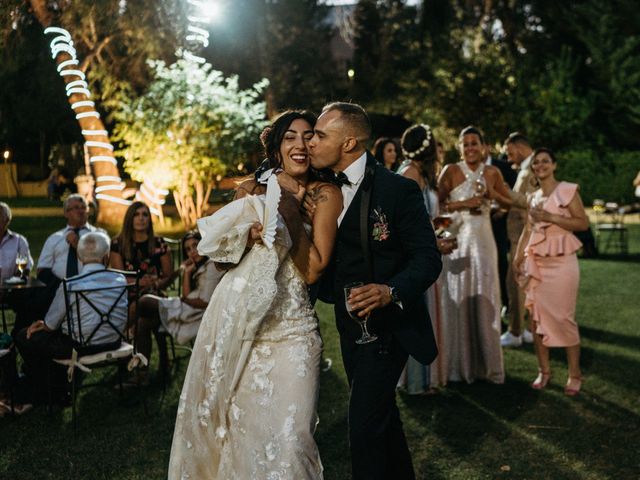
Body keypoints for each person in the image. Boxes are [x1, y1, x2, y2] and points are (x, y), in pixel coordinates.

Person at [168, 110, 342, 479]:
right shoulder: (251, 189)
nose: (300, 144)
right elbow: (219, 262)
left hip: (293, 329)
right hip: (242, 323)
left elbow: (315, 268)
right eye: (290, 137)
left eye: (308, 136)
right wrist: (245, 237)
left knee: (294, 439)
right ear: (277, 148)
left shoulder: (324, 195)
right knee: (241, 432)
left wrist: (291, 213)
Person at [310, 103, 441, 479]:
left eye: (321, 135)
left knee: (364, 428)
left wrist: (390, 290)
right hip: (349, 326)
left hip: (390, 327)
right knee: (384, 418)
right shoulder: (319, 186)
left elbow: (427, 258)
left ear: (348, 141)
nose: (312, 143)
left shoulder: (397, 190)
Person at [14, 232, 127, 409]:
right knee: (60, 333)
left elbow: (51, 326)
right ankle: (57, 387)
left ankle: (50, 390)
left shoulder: (71, 284)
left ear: (80, 257)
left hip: (80, 346)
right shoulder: (120, 279)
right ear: (106, 258)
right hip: (114, 341)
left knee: (23, 336)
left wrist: (44, 324)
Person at [437, 125, 510, 385]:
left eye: (474, 143)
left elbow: (507, 201)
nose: (470, 148)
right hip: (457, 242)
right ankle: (459, 367)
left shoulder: (493, 172)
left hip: (485, 240)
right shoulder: (451, 171)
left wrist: (494, 199)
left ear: (484, 147)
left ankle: (488, 367)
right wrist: (463, 204)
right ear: (459, 147)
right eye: (465, 143)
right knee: (459, 294)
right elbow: (437, 207)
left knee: (487, 293)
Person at [513, 148, 589, 395]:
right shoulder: (532, 196)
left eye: (545, 161)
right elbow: (527, 229)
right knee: (537, 321)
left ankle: (574, 374)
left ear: (554, 165)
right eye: (536, 163)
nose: (540, 165)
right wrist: (517, 257)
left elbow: (582, 222)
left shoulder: (567, 190)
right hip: (537, 265)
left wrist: (551, 217)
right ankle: (544, 371)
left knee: (565, 318)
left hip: (563, 264)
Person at [397, 124, 455, 392]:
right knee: (418, 318)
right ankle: (416, 382)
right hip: (413, 258)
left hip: (425, 251)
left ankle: (427, 378)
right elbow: (405, 224)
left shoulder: (418, 172)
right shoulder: (410, 173)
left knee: (427, 316)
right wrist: (434, 243)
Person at [134, 231, 224, 383]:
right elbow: (187, 294)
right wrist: (187, 273)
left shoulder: (212, 266)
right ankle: (151, 371)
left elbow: (206, 302)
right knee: (144, 322)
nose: (192, 251)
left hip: (199, 313)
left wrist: (185, 300)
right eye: (188, 249)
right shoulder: (197, 267)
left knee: (144, 301)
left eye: (195, 245)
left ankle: (128, 333)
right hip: (189, 307)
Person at [501, 132, 536, 347]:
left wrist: (503, 190)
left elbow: (530, 201)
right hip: (518, 233)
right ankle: (529, 330)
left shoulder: (533, 167)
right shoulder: (525, 167)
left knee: (516, 283)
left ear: (519, 146)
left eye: (509, 151)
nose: (508, 157)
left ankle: (515, 332)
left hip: (522, 235)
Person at [109, 201, 173, 295]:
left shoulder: (160, 244)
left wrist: (154, 284)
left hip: (154, 292)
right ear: (130, 218)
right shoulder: (117, 244)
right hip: (127, 294)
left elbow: (169, 277)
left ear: (149, 219)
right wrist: (139, 282)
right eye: (136, 214)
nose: (141, 218)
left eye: (145, 215)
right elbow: (118, 279)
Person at [484, 144, 517, 315]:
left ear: (486, 147)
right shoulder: (463, 170)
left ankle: (506, 302)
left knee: (501, 262)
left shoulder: (503, 167)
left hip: (499, 223)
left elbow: (514, 195)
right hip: (477, 222)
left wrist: (503, 210)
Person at [0, 202, 33, 281]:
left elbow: (24, 268)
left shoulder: (19, 241)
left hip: (10, 289)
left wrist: (12, 282)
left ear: (7, 220)